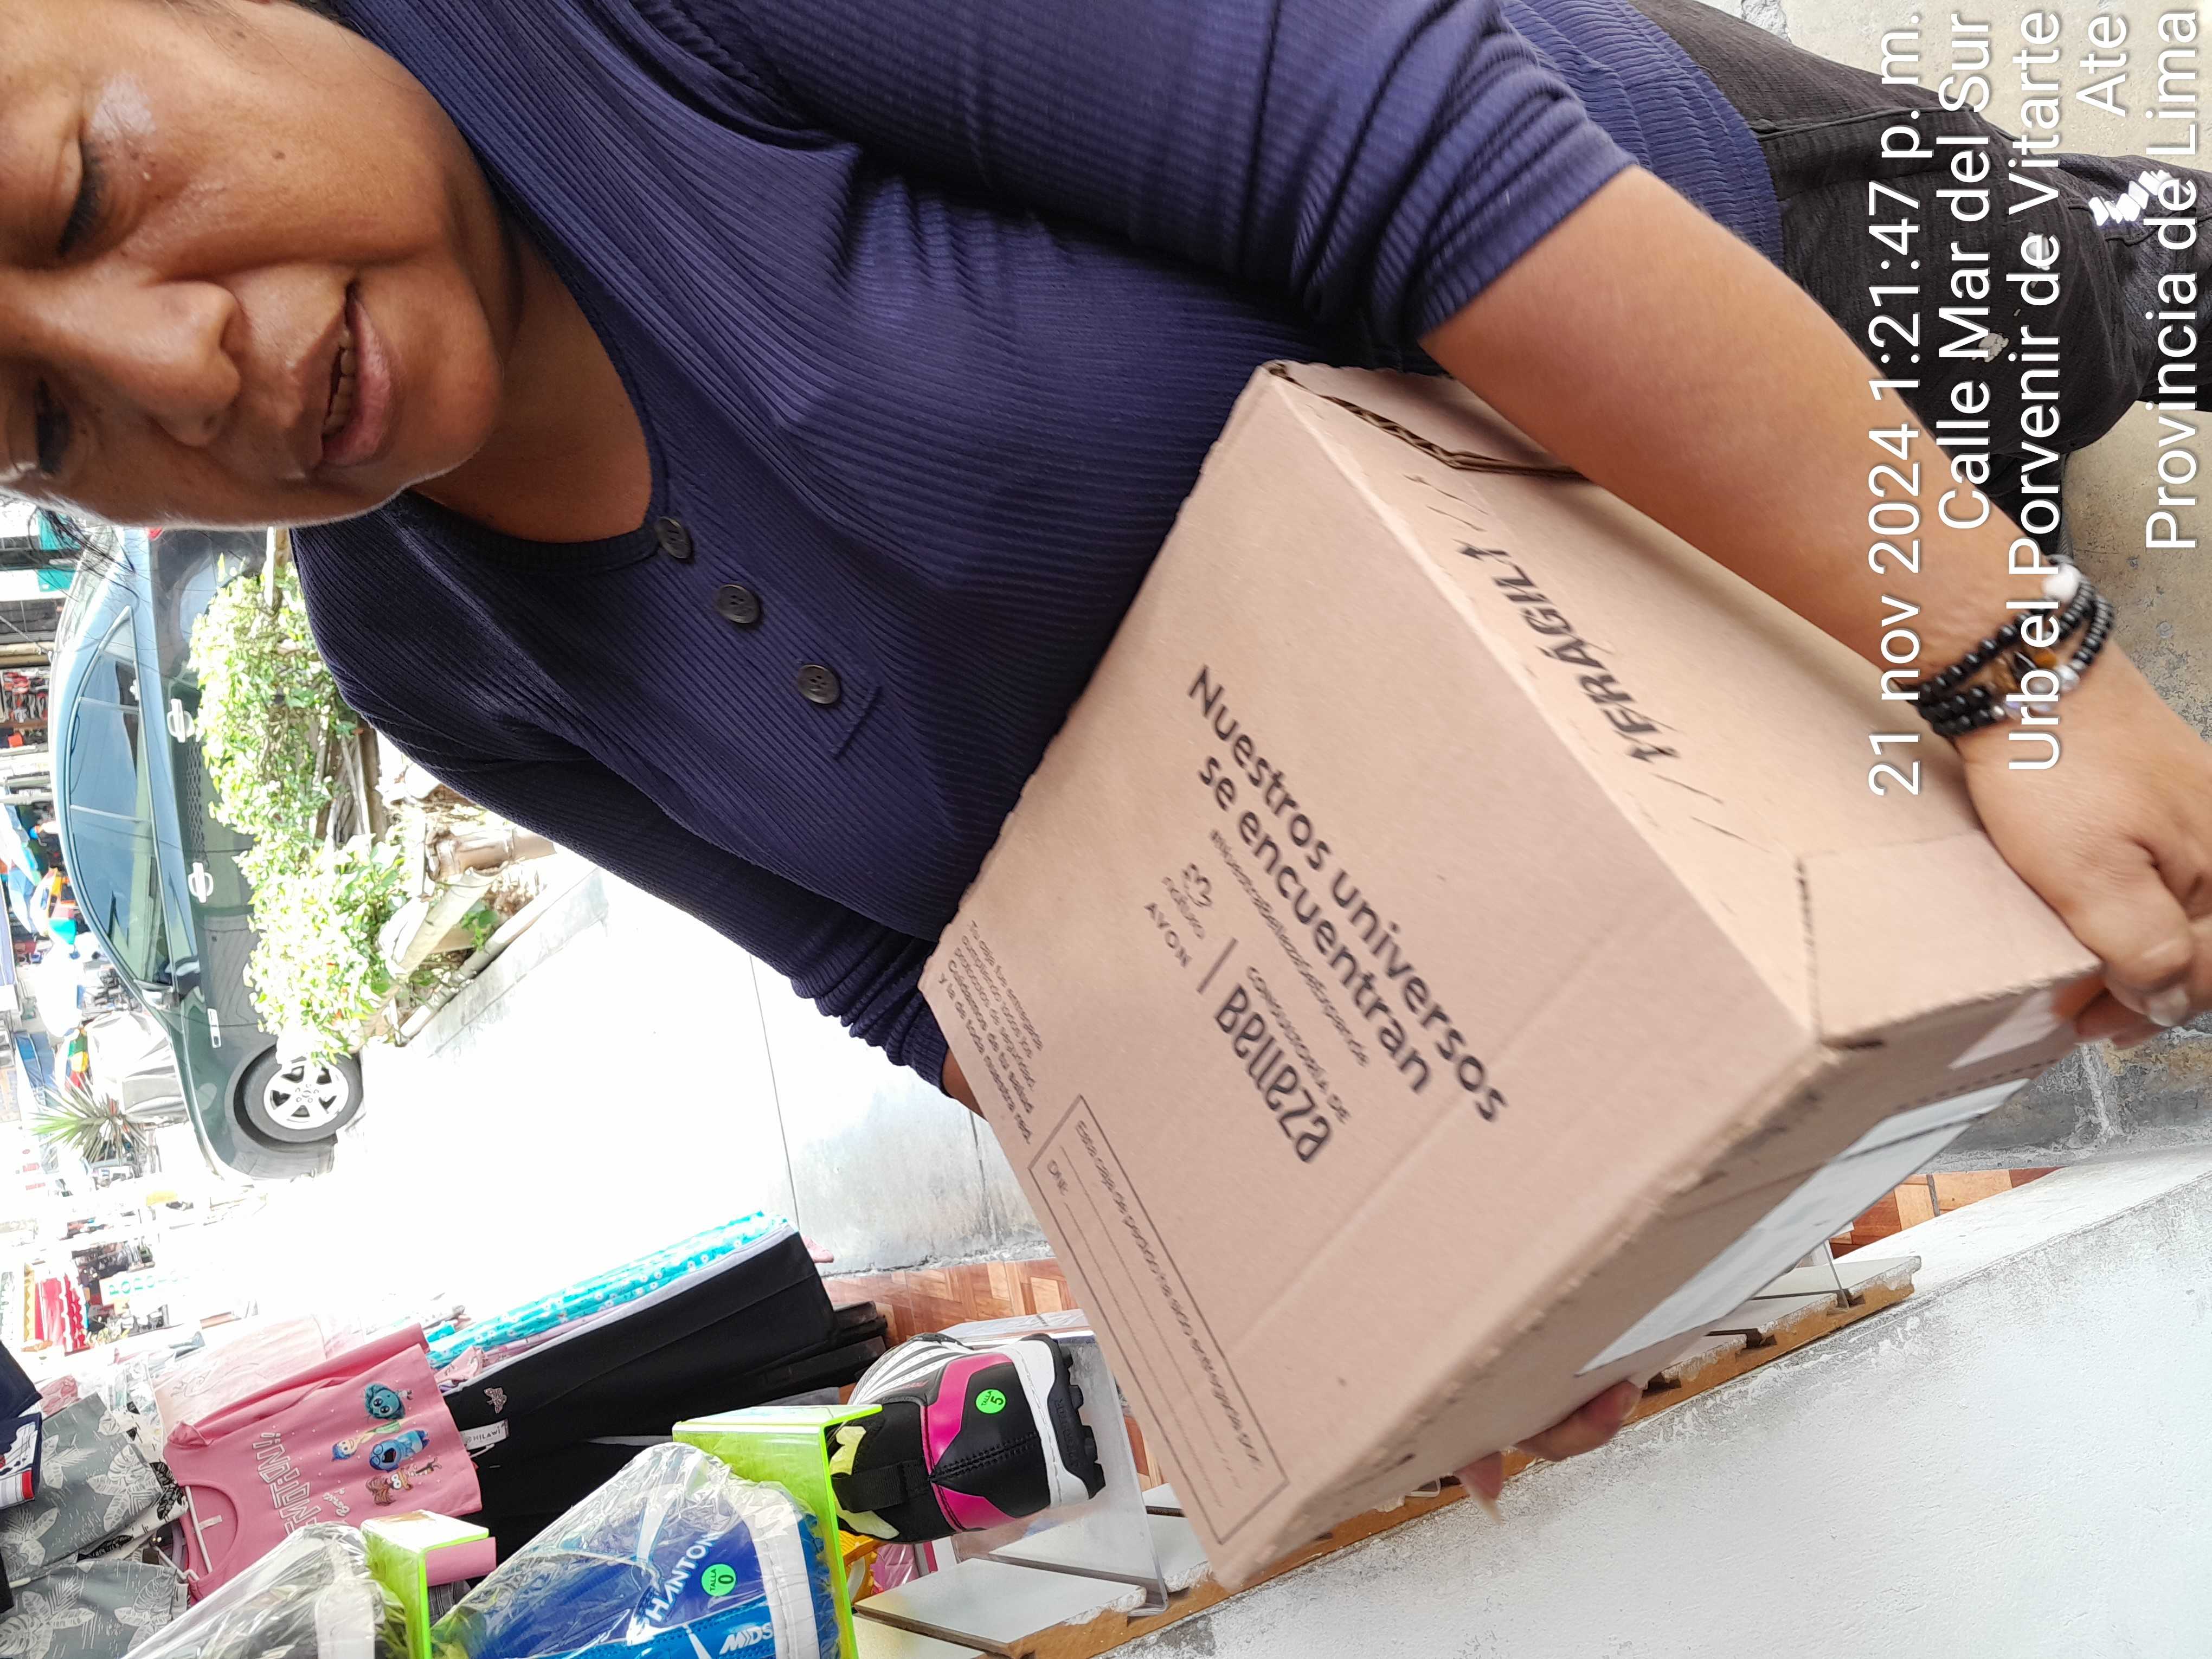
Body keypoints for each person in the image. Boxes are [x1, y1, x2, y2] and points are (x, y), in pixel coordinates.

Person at [7, 0, 2211, 1494]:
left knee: (2113, 306)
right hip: (1657, 811)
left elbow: (1411, 163)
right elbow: (942, 983)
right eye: (44, 420)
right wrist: (1411, 1279)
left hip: (1770, 317)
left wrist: (2014, 663)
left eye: (85, 195)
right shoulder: (424, 653)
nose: (174, 374)